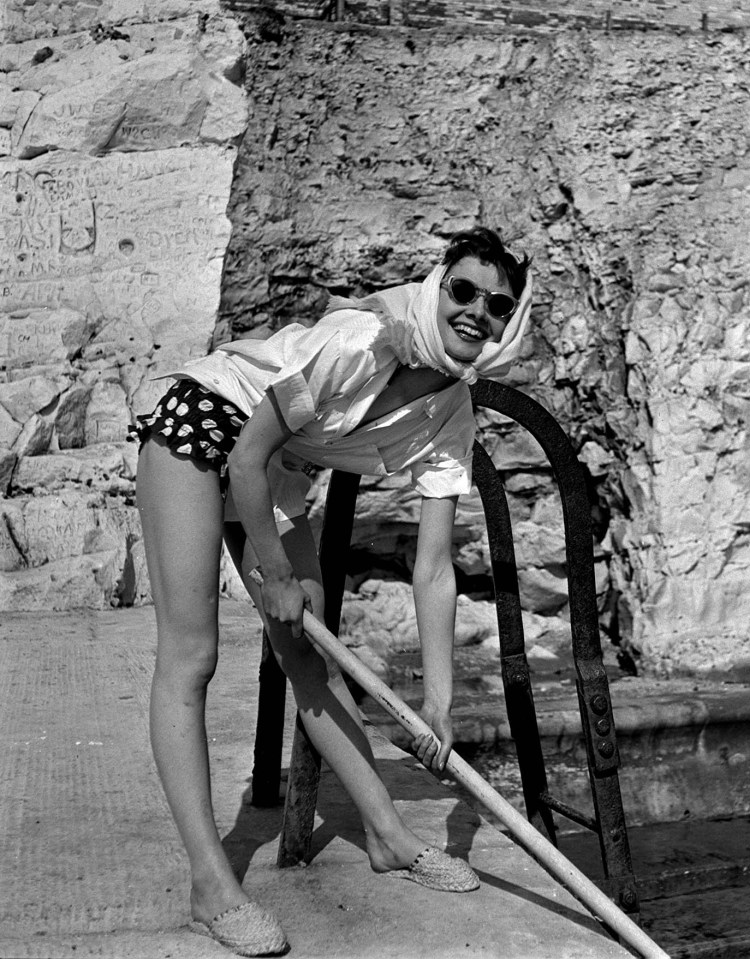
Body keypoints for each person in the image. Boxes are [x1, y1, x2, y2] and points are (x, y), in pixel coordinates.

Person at [132, 227, 533, 957]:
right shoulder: (361, 340)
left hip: (272, 469)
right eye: (464, 290)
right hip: (201, 428)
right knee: (192, 655)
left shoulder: (452, 413)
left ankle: (388, 834)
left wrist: (438, 701)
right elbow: (244, 454)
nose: (477, 310)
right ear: (438, 286)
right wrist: (275, 576)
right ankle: (210, 885)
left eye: (498, 304)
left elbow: (435, 567)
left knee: (310, 653)